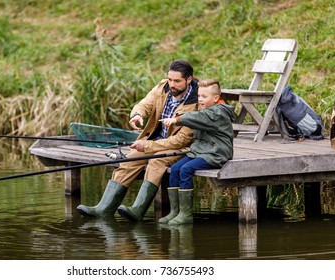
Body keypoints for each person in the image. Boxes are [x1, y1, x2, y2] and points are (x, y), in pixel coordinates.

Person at [77, 59, 199, 221]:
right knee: (129, 160)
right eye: (170, 79)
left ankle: (138, 209)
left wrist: (148, 145)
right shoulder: (163, 87)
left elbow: (182, 140)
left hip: (180, 147)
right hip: (154, 142)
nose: (172, 84)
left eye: (177, 81)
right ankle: (103, 209)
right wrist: (137, 115)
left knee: (156, 163)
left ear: (189, 79)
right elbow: (145, 104)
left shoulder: (196, 103)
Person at [159, 78, 235, 225]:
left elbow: (198, 117)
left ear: (216, 98)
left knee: (186, 169)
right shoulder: (206, 109)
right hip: (202, 151)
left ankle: (186, 215)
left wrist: (177, 119)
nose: (200, 99)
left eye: (204, 97)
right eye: (199, 96)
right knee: (175, 169)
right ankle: (175, 211)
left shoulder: (217, 112)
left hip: (217, 153)